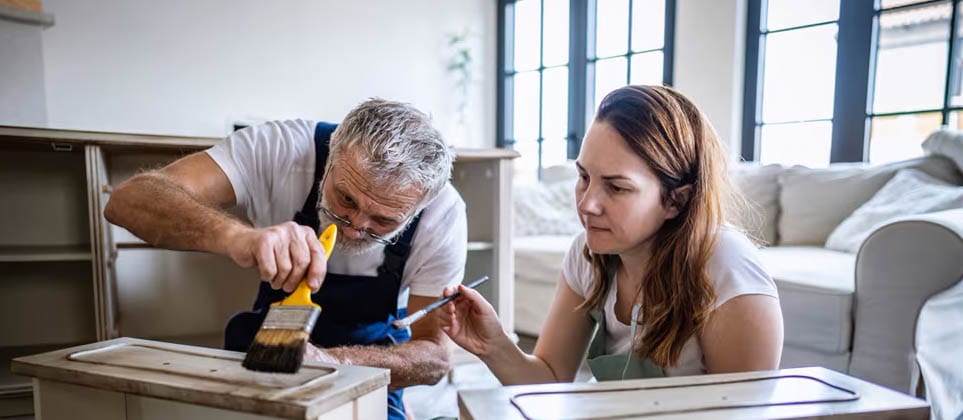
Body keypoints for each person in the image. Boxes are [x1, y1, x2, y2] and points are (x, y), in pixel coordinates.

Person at [104, 98, 465, 419]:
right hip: (269, 347)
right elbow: (128, 201)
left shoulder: (443, 215)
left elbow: (434, 357)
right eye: (347, 200)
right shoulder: (279, 149)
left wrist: (334, 364)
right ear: (333, 156)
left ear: (418, 206)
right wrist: (240, 238)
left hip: (364, 368)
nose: (355, 228)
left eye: (383, 221)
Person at [437, 85, 783, 384]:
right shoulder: (586, 254)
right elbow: (550, 379)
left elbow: (745, 410)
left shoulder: (726, 265)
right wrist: (494, 345)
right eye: (584, 177)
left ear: (677, 200)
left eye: (616, 188)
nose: (587, 205)